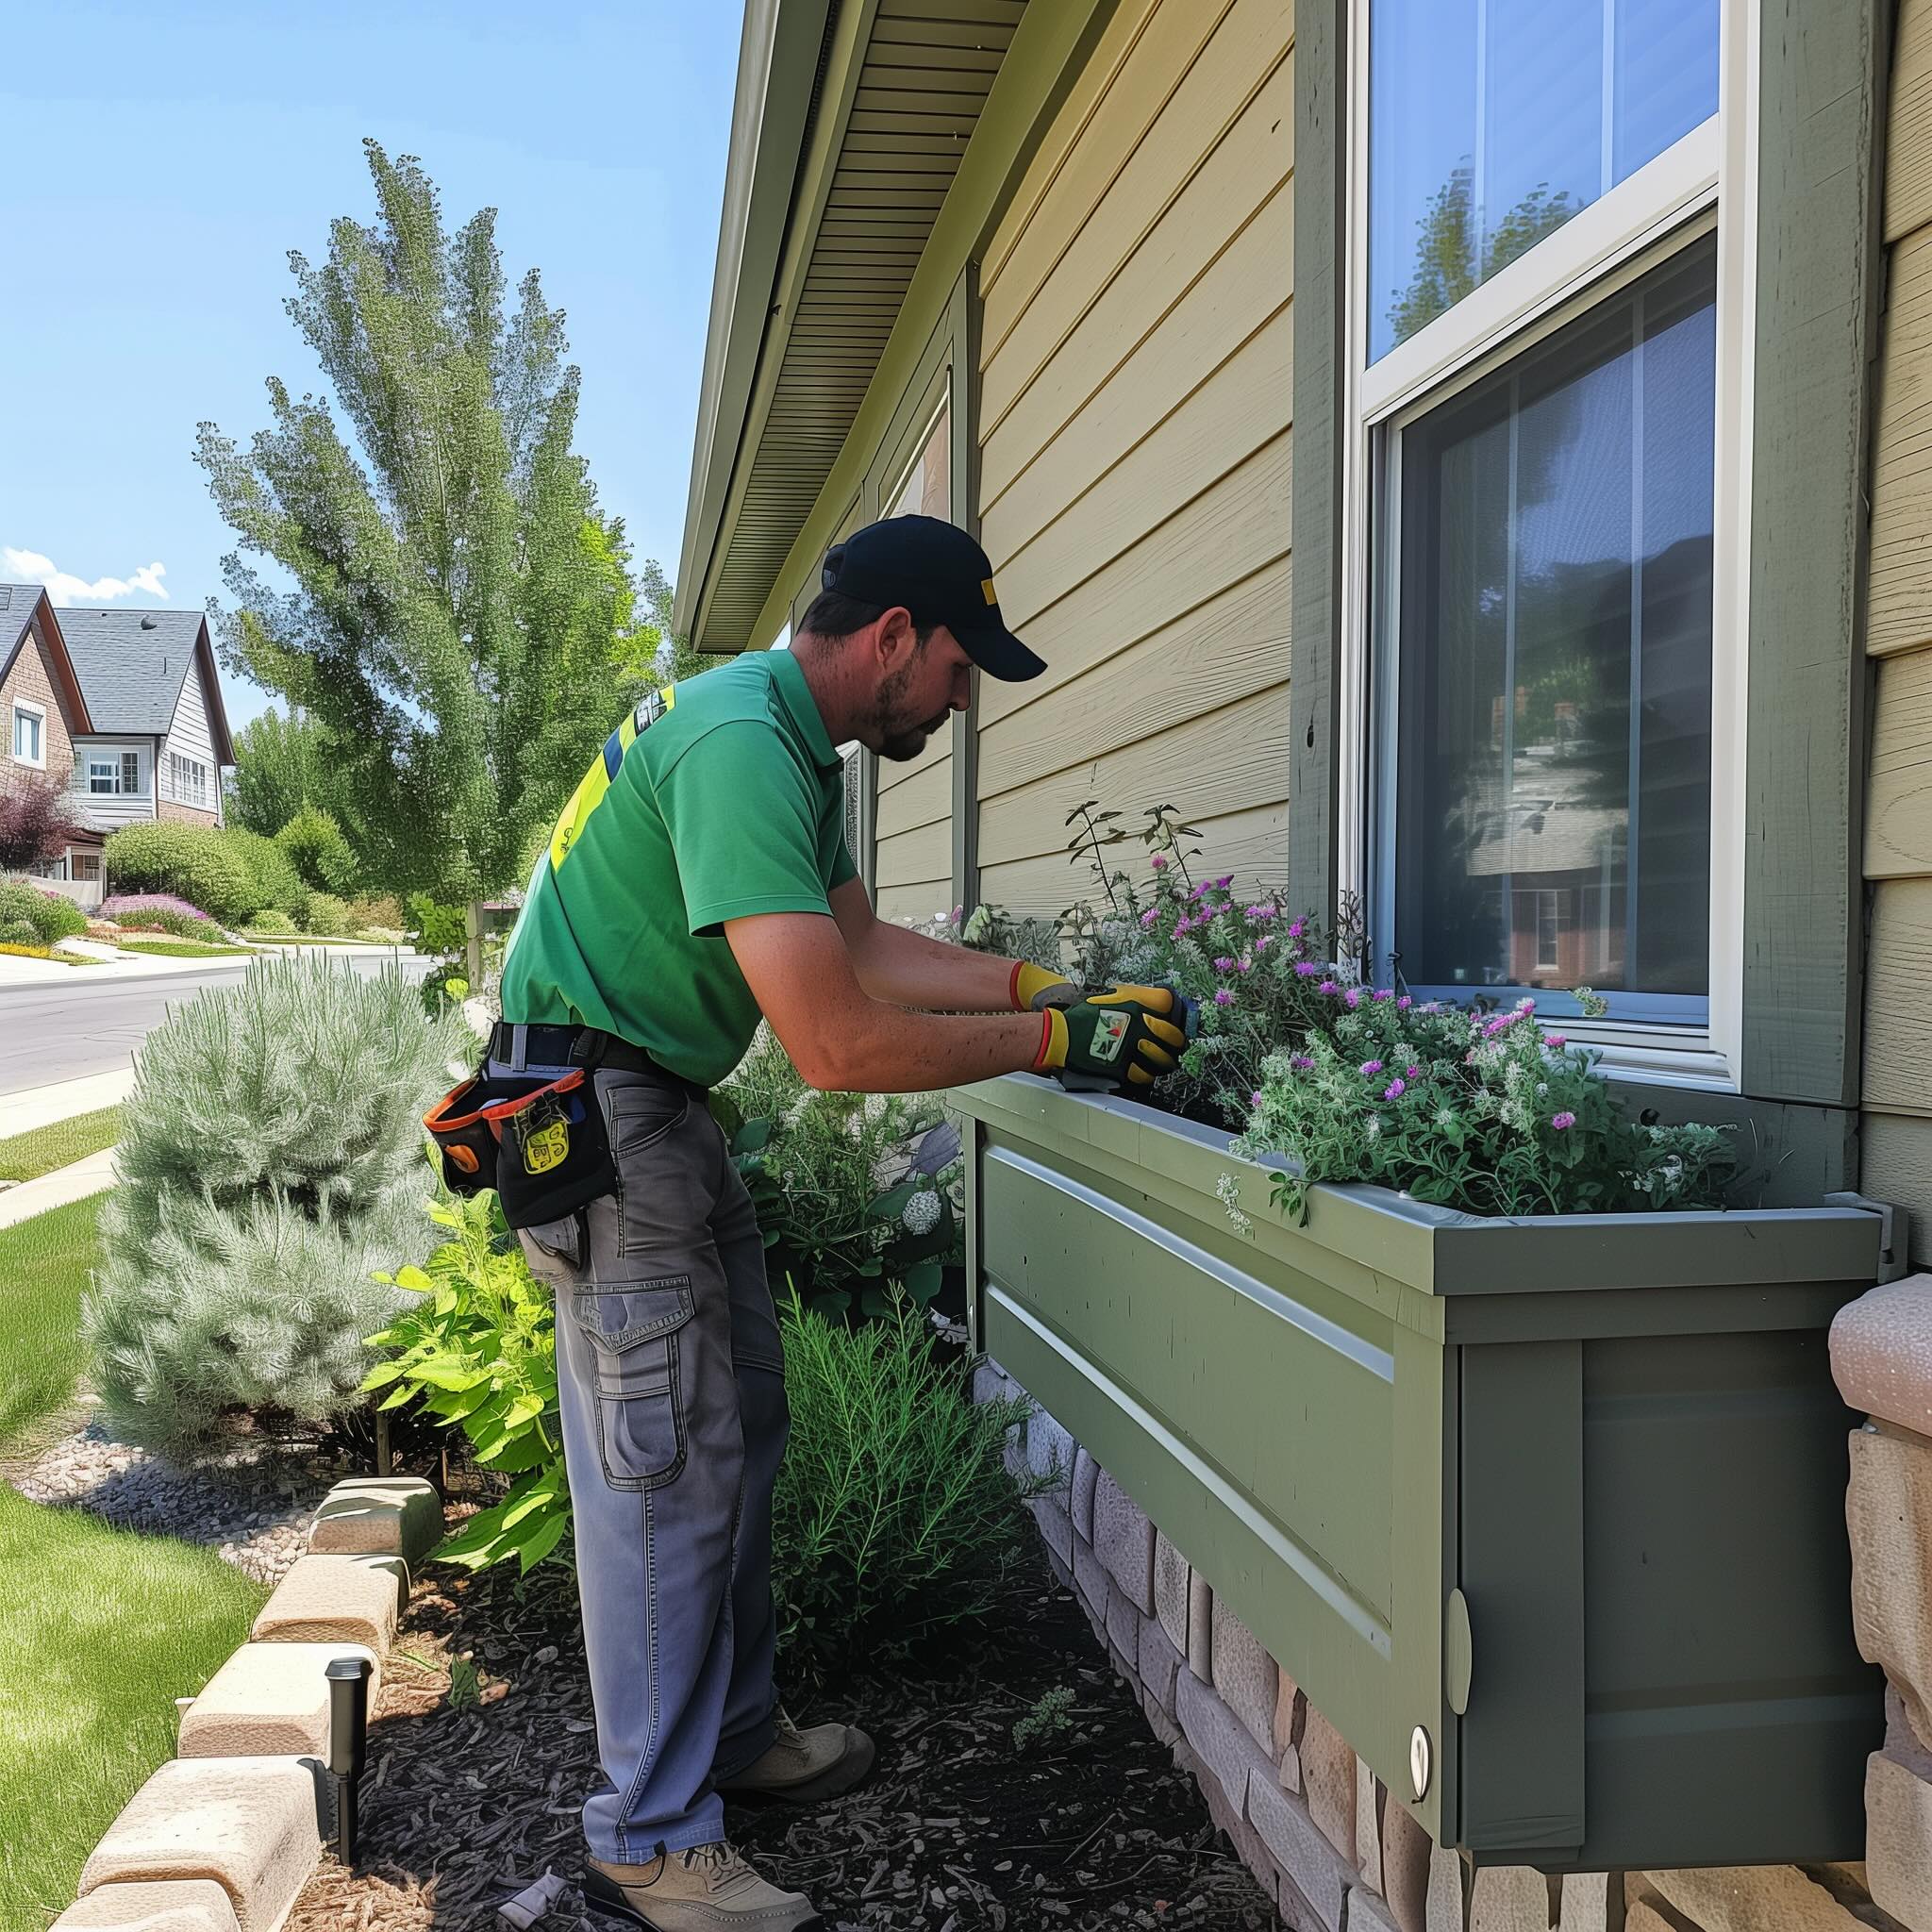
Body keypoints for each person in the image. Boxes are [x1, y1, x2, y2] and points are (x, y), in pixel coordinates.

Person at [494, 514, 1186, 1932]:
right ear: (889, 640)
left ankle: (732, 1739)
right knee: (663, 1474)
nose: (964, 692)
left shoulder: (790, 743)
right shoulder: (738, 743)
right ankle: (646, 1840)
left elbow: (861, 947)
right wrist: (1054, 1052)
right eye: (957, 662)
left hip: (653, 1108)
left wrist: (1034, 987)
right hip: (601, 1118)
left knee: (733, 1430)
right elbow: (836, 1043)